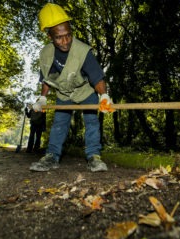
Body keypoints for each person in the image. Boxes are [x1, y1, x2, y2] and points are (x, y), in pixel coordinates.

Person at [29, 3, 114, 172]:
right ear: (49, 36)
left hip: (85, 90)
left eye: (68, 35)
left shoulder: (82, 51)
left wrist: (104, 96)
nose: (65, 41)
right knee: (59, 123)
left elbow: (96, 76)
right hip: (64, 93)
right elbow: (47, 78)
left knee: (91, 122)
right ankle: (52, 157)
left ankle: (94, 157)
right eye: (59, 37)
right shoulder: (46, 53)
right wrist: (43, 98)